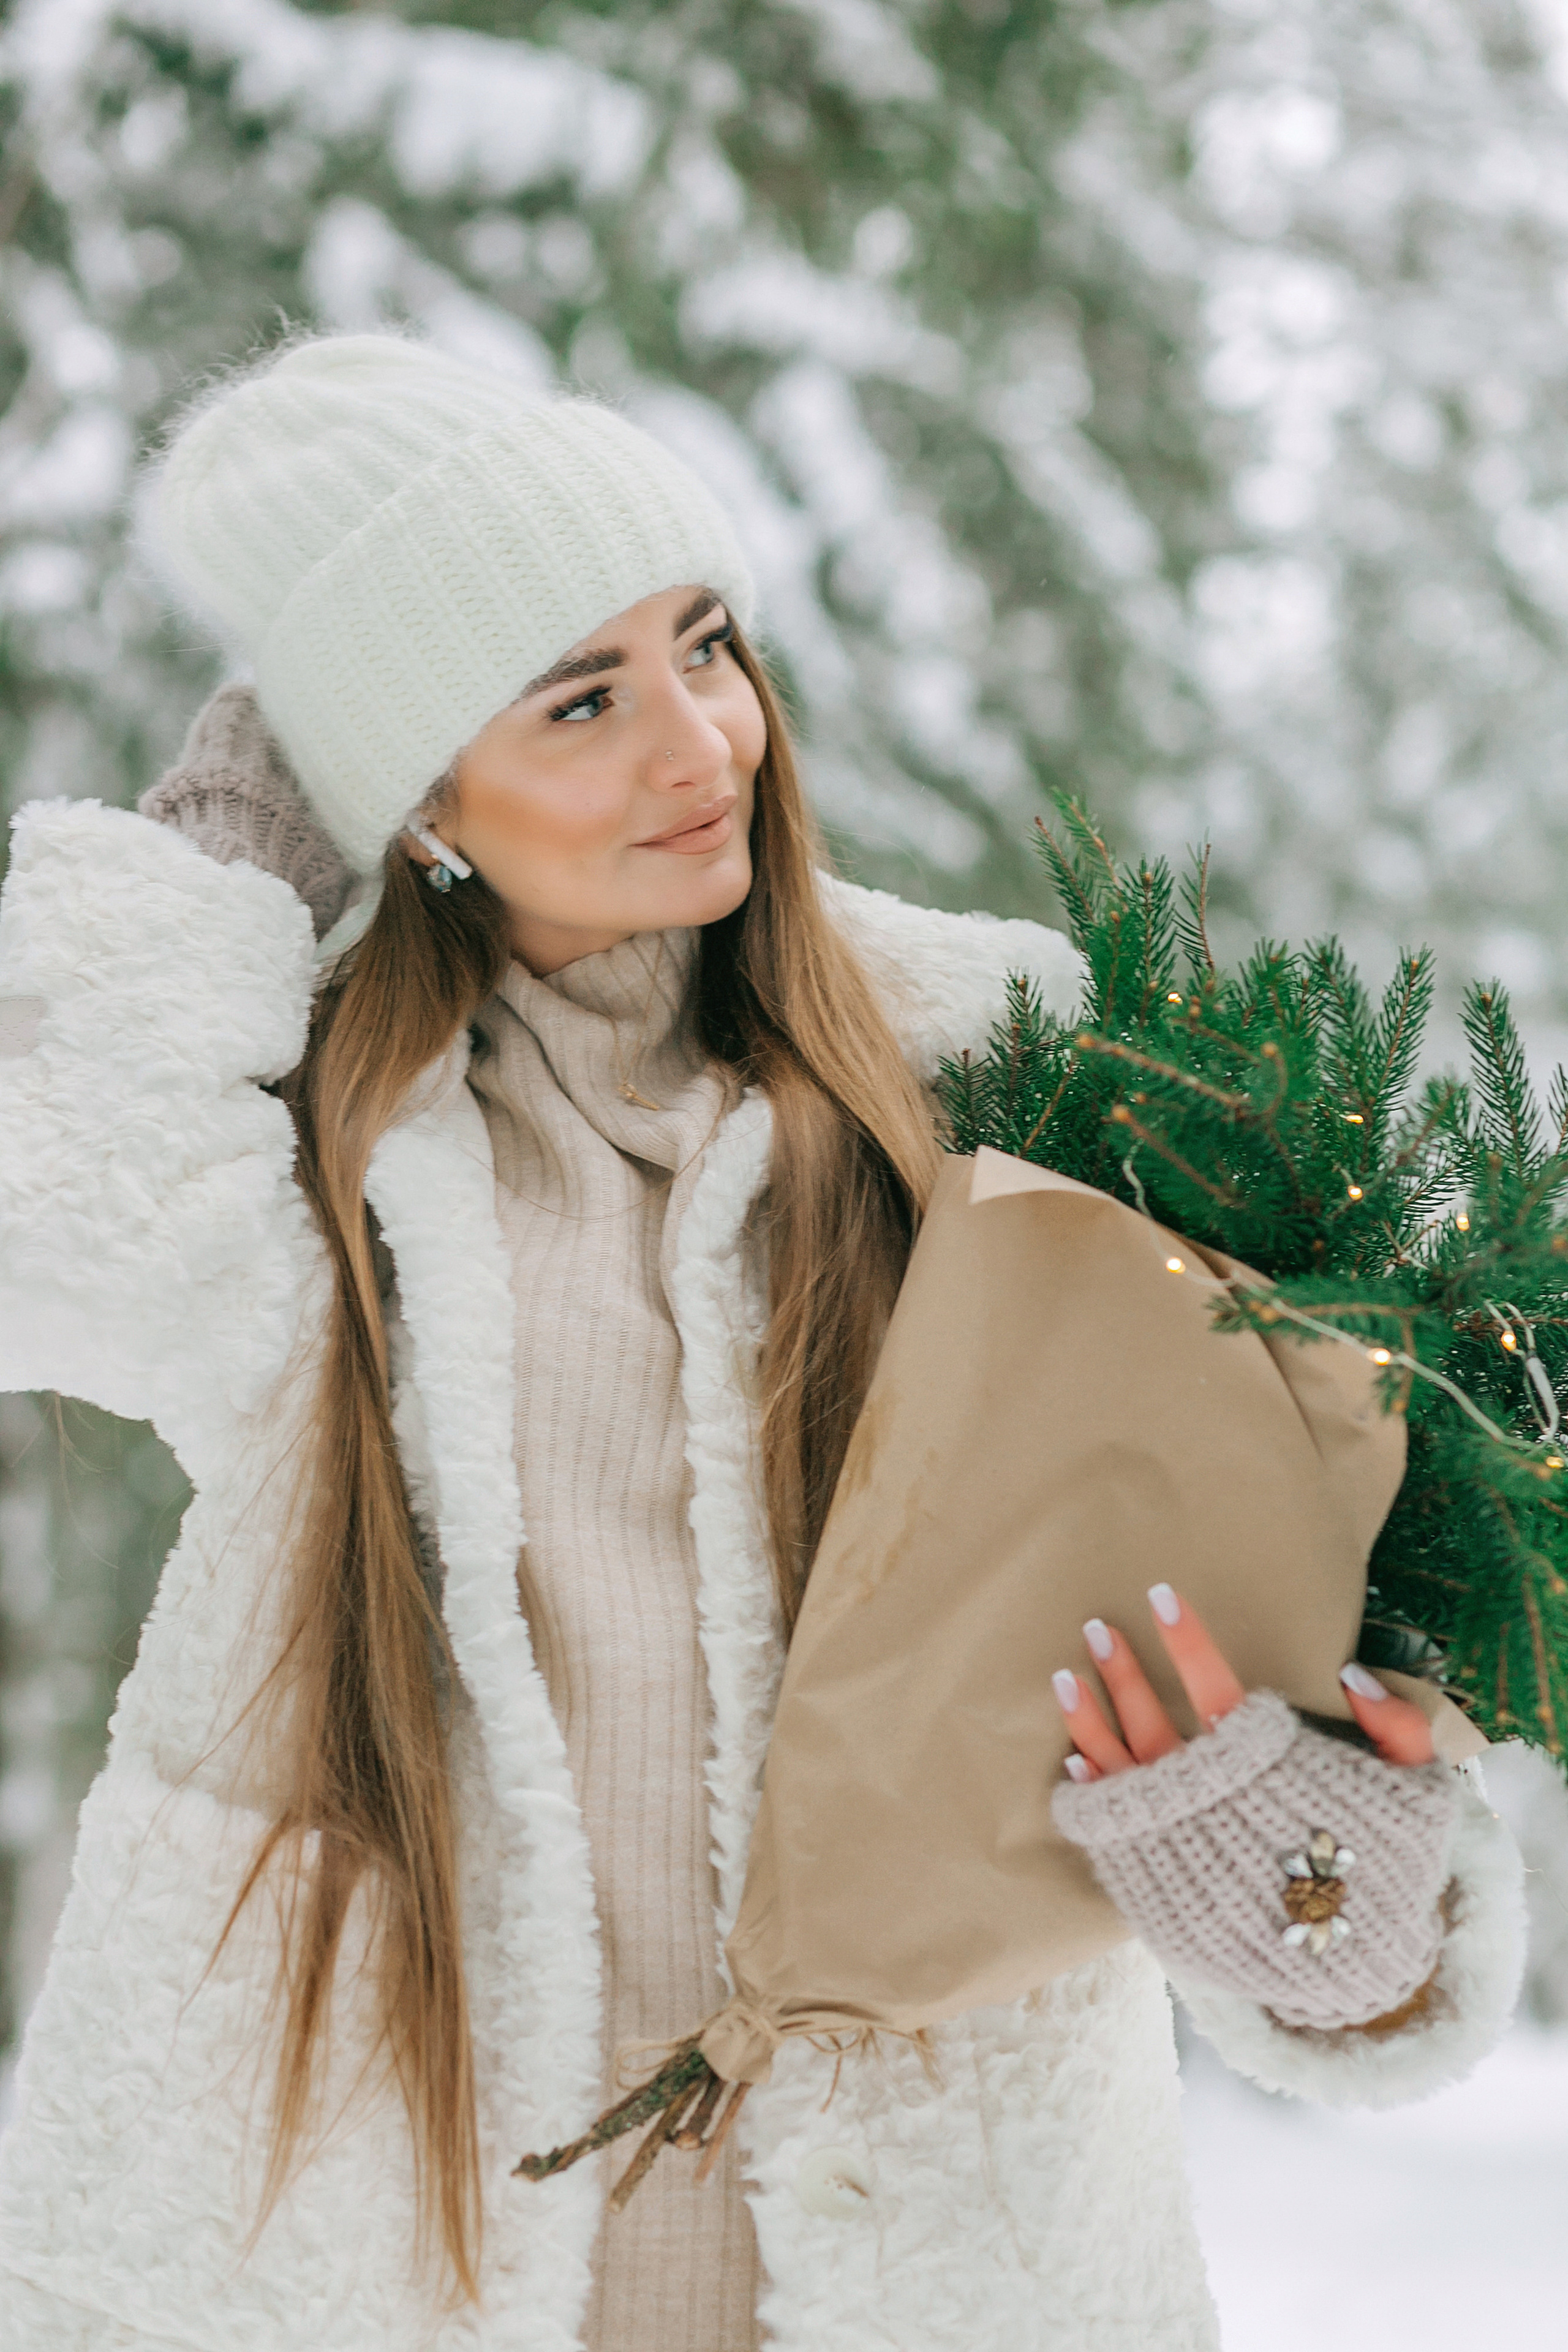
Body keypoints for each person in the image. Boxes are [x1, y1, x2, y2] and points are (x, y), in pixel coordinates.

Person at [0, 334, 1525, 2352]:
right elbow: (58, 1247)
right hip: (350, 2265)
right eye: (583, 698)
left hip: (932, 2272)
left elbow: (1311, 1632)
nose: (700, 744)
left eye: (704, 647)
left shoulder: (1001, 1101)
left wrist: (1321, 1881)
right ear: (422, 802)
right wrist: (219, 860)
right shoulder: (325, 1160)